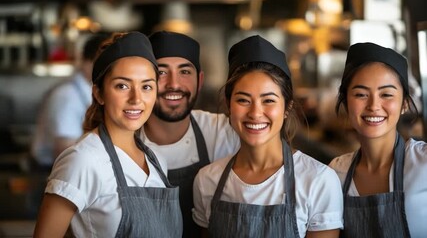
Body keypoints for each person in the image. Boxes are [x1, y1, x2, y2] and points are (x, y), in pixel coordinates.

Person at [33, 31, 183, 237]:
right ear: (99, 93)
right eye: (122, 86)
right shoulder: (83, 160)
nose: (136, 99)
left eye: (146, 86)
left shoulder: (156, 160)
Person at [192, 35, 343, 238]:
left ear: (287, 107)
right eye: (243, 100)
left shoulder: (318, 181)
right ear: (229, 105)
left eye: (269, 100)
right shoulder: (207, 180)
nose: (255, 113)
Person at [140, 30, 240, 237]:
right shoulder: (124, 143)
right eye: (161, 72)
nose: (174, 84)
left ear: (200, 80)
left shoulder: (223, 131)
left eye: (184, 72)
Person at [329, 42, 427, 237]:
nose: (374, 106)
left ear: (404, 104)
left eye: (386, 94)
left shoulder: (423, 163)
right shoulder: (335, 173)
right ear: (346, 102)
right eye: (361, 94)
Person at [31, 34, 108, 169]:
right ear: (88, 62)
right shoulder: (67, 95)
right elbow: (65, 148)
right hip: (52, 171)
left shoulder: (88, 90)